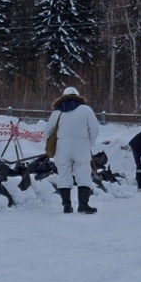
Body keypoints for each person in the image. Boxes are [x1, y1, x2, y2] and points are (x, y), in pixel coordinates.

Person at [43, 86, 100, 214]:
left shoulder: (56, 112)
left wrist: (52, 144)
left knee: (64, 175)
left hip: (62, 147)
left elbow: (47, 133)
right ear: (78, 96)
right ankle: (83, 205)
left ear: (63, 97)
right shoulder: (86, 110)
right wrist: (88, 144)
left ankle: (67, 206)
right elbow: (95, 130)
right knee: (83, 174)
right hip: (81, 147)